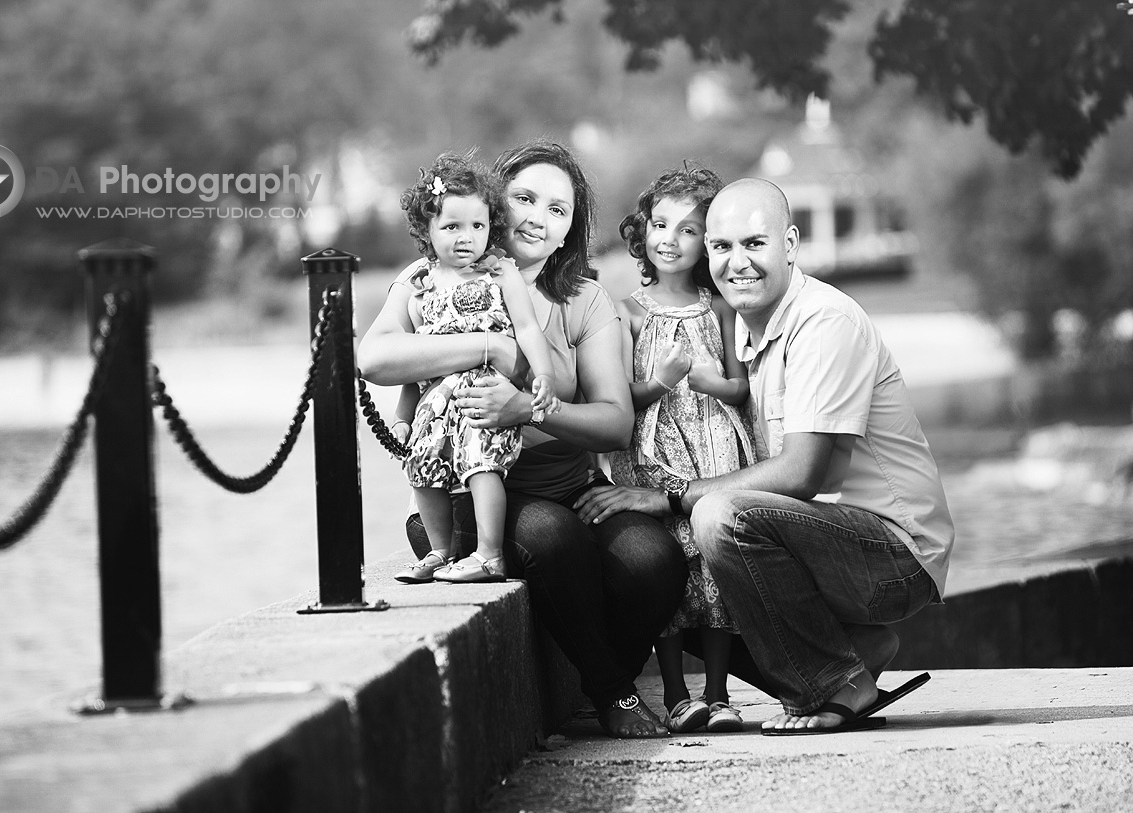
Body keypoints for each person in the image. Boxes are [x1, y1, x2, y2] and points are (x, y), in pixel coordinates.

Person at [574, 177, 954, 735]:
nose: (737, 262)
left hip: (893, 553)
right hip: (825, 539)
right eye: (723, 247)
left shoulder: (822, 323)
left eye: (755, 243)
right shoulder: (752, 332)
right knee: (689, 580)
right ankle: (855, 649)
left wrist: (670, 496)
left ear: (791, 245)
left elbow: (802, 474)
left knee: (717, 517)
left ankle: (836, 681)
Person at [360, 139, 684, 737]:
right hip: (461, 501)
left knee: (654, 559)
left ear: (568, 233)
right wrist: (494, 348)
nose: (537, 217)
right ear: (493, 202)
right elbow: (374, 359)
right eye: (525, 198)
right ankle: (615, 694)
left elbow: (613, 420)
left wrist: (527, 409)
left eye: (558, 210)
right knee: (551, 537)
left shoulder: (585, 301)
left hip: (568, 488)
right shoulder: (430, 275)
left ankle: (595, 679)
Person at [608, 166, 759, 734]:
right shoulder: (628, 311)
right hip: (656, 450)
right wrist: (664, 380)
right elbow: (622, 399)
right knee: (670, 567)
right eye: (660, 223)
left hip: (716, 444)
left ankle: (719, 694)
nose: (671, 237)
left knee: (716, 567)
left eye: (689, 229)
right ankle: (676, 694)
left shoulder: (717, 306)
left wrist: (701, 380)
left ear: (707, 242)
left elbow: (739, 386)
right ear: (642, 231)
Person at [388, 152, 557, 585]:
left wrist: (544, 374)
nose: (467, 237)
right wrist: (404, 417)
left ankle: (490, 554)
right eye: (452, 227)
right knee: (421, 466)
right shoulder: (420, 286)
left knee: (482, 465)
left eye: (478, 226)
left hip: (483, 393)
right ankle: (438, 552)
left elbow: (527, 328)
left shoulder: (499, 271)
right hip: (433, 402)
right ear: (425, 231)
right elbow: (416, 363)